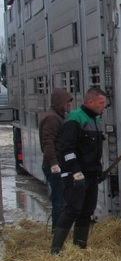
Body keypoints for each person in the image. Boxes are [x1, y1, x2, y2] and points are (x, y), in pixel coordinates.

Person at [50, 87, 108, 255]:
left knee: (87, 211)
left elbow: (94, 150)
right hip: (76, 175)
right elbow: (66, 148)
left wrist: (98, 171)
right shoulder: (75, 118)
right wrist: (76, 171)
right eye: (101, 103)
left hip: (91, 174)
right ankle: (55, 250)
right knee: (72, 209)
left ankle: (79, 248)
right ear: (90, 102)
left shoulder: (96, 120)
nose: (103, 107)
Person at [39, 88, 72, 233]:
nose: (69, 105)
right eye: (67, 102)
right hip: (54, 165)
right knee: (60, 200)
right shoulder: (52, 118)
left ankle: (59, 231)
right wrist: (54, 164)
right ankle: (57, 232)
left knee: (61, 198)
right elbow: (48, 142)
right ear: (60, 103)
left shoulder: (56, 116)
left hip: (57, 164)